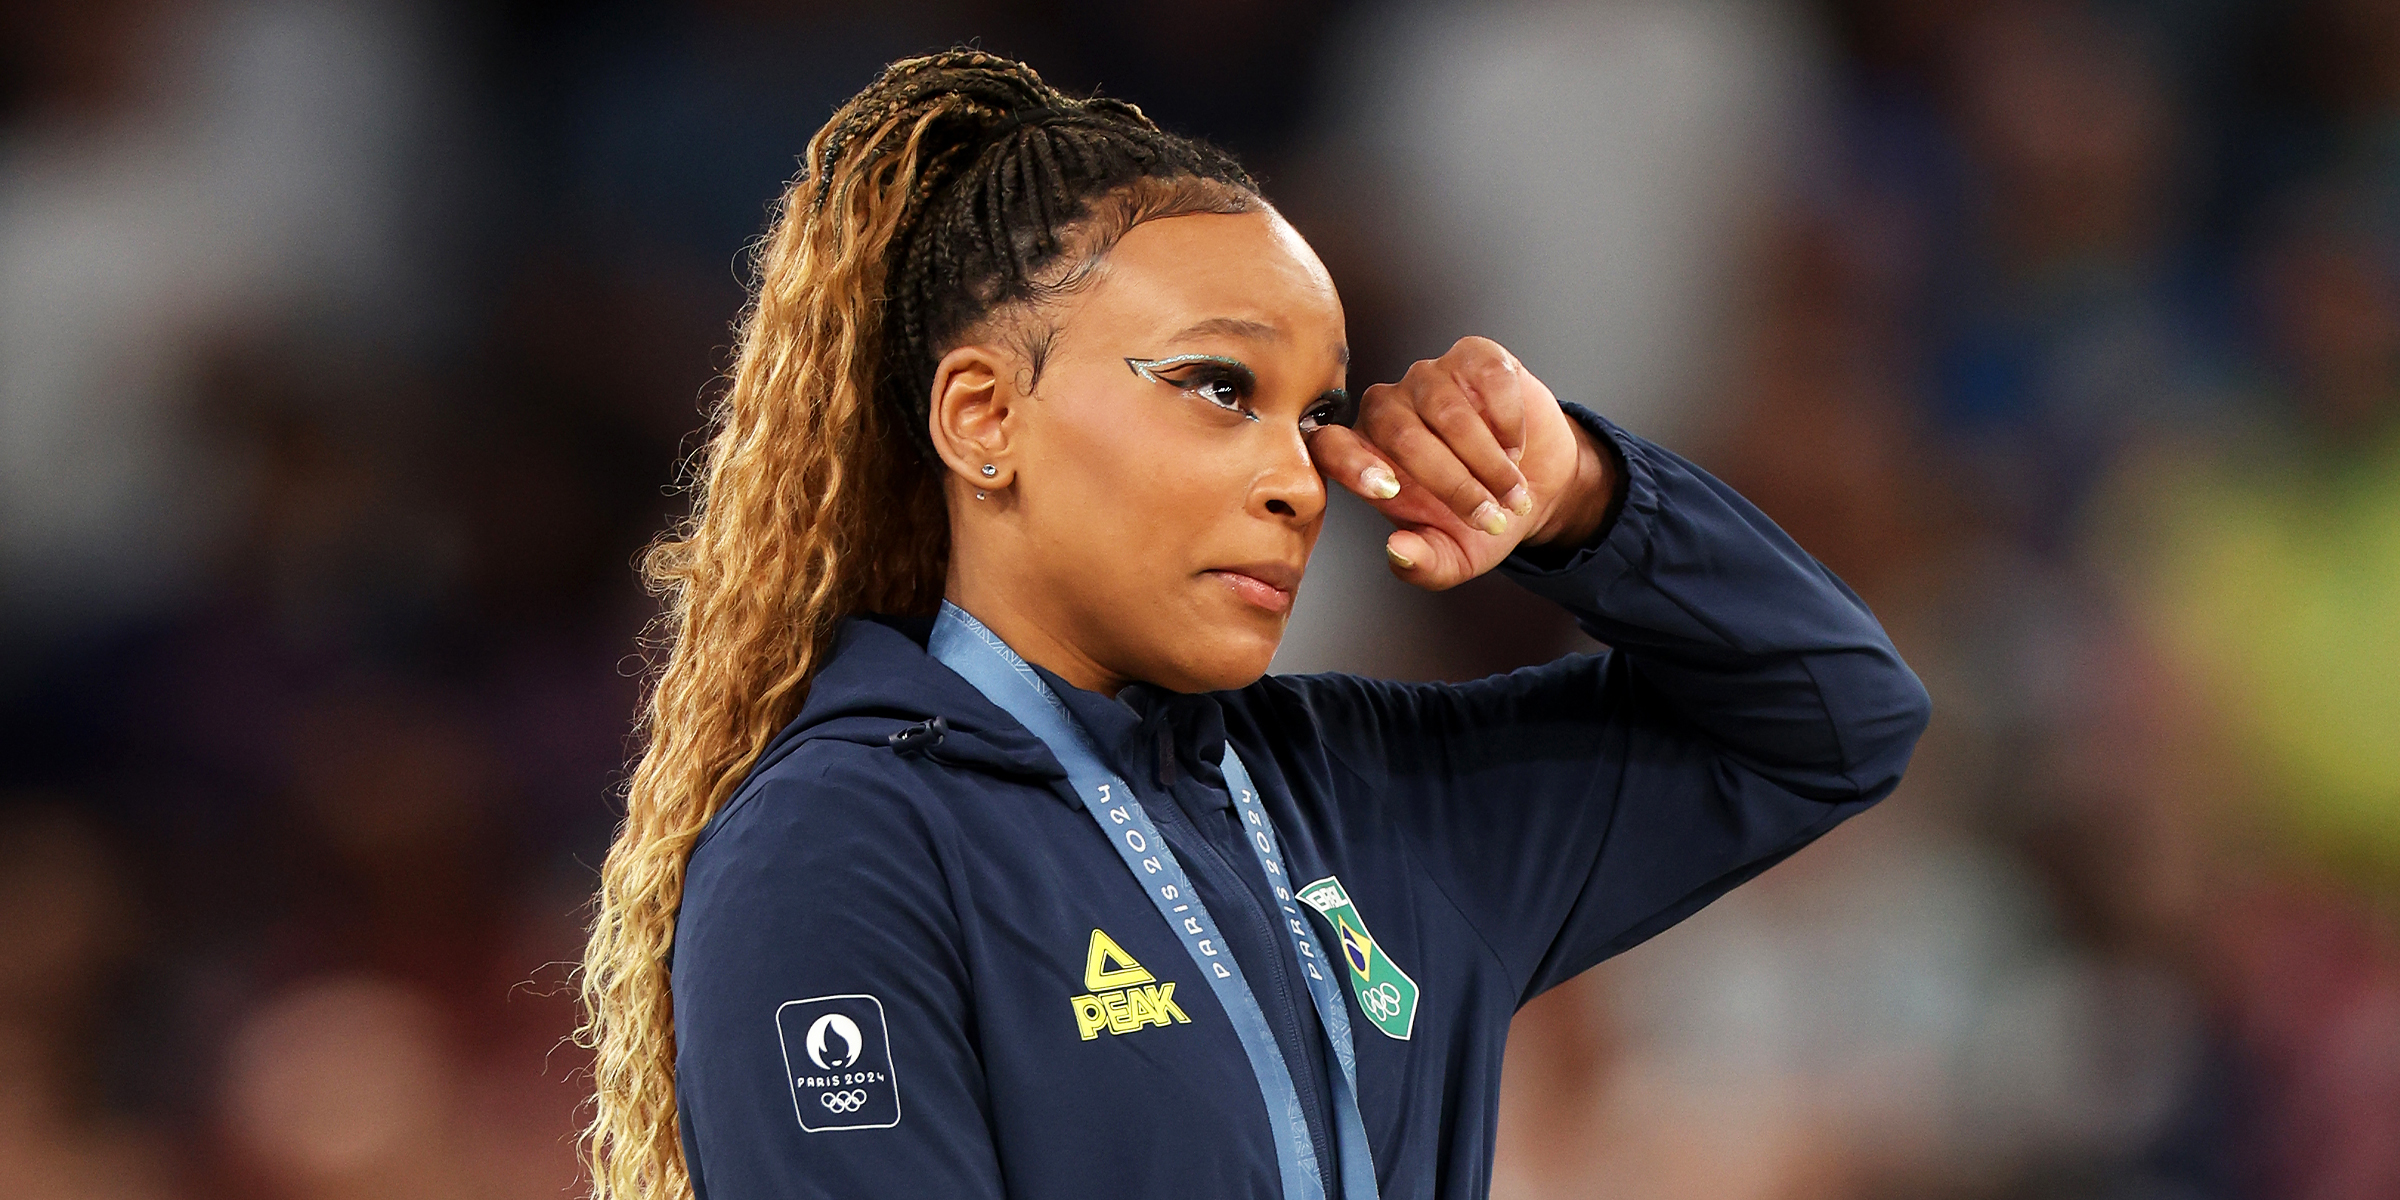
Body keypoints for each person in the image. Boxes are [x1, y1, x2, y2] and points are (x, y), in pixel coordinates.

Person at [577, 49, 1931, 1200]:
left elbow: (1833, 722)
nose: (1299, 478)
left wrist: (1582, 490)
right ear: (983, 419)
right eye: (1220, 387)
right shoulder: (843, 846)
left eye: (1316, 412)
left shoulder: (1375, 797)